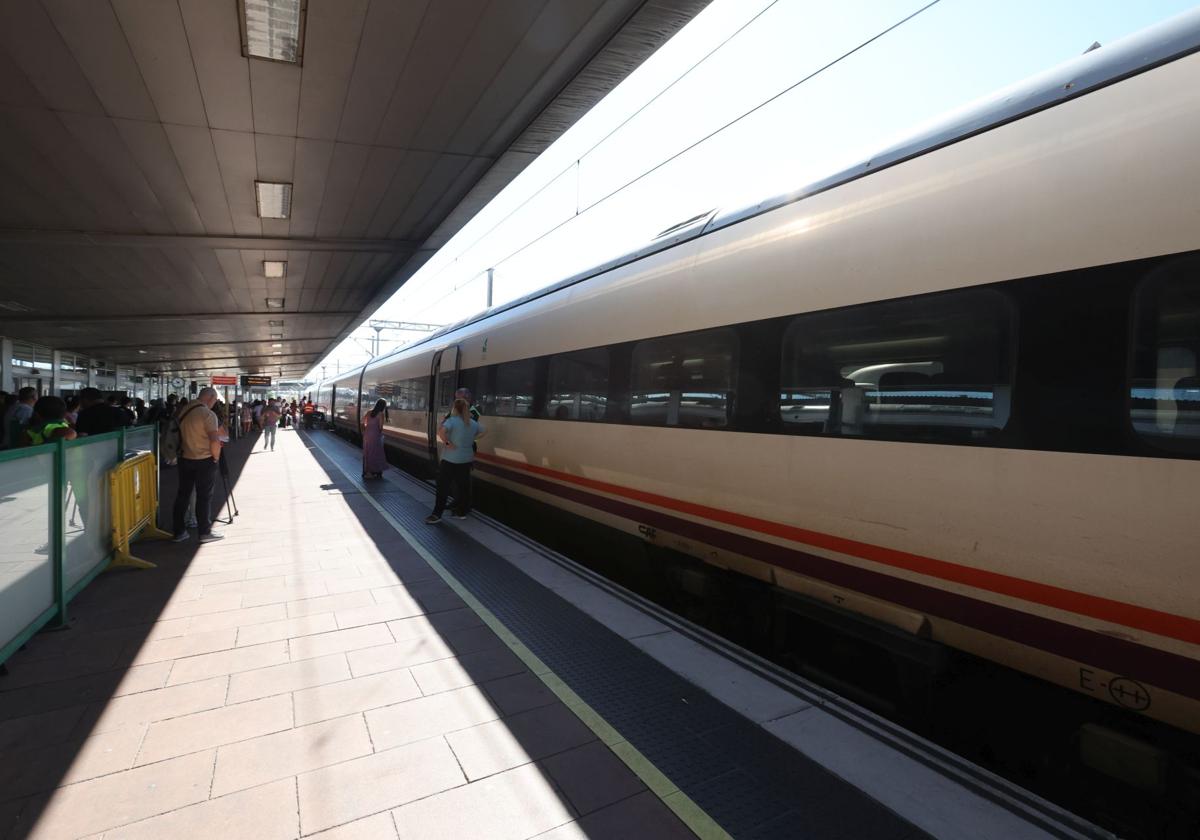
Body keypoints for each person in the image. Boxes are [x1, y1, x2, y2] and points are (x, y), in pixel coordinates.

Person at [171, 387, 224, 543]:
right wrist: (216, 457)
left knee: (183, 495)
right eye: (214, 400)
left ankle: (179, 532)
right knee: (204, 496)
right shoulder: (207, 414)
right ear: (211, 398)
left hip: (184, 458)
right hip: (204, 460)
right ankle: (205, 532)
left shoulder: (183, 410)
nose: (214, 403)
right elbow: (215, 440)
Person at [426, 398, 484, 524]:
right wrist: (472, 439)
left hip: (450, 459)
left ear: (455, 408)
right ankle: (461, 512)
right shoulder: (472, 423)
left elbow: (441, 432)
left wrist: (447, 442)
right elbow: (484, 431)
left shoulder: (452, 420)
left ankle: (437, 514)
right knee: (464, 487)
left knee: (443, 487)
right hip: (466, 459)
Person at [362, 398, 388, 479]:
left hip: (367, 434)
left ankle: (367, 471)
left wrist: (365, 430)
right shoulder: (381, 414)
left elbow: (362, 422)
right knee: (376, 453)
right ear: (383, 406)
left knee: (367, 453)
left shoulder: (369, 412)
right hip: (375, 435)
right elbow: (380, 427)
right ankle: (376, 471)